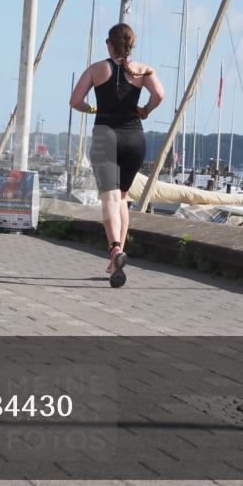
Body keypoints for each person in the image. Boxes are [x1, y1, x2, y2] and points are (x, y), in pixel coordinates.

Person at [69, 23, 164, 288]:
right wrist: (145, 110)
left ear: (109, 44)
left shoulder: (98, 69)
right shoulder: (143, 70)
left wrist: (93, 108)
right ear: (131, 45)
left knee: (108, 198)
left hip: (105, 134)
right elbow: (160, 94)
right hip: (134, 138)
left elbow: (75, 101)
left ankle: (114, 250)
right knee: (122, 197)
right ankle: (114, 264)